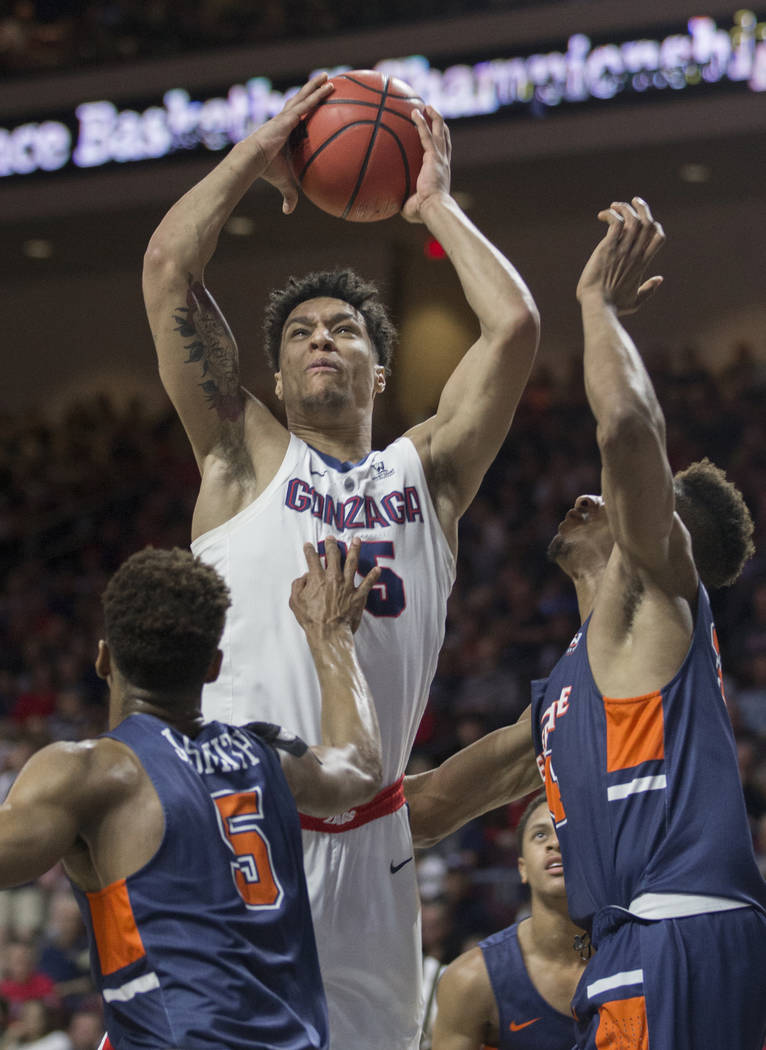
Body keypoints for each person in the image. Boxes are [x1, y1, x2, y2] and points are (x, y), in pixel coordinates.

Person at [142, 71, 540, 1050]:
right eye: (302, 333)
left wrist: (436, 206)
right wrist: (257, 146)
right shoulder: (240, 458)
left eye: (347, 328)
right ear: (273, 375)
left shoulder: (429, 472)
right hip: (242, 824)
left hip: (373, 851)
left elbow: (516, 328)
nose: (324, 337)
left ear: (377, 362)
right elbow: (165, 270)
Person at [532, 198, 766, 1049]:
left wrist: (595, 307)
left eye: (608, 500)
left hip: (668, 935)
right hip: (677, 939)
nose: (584, 497)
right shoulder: (567, 686)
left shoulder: (660, 590)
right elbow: (447, 793)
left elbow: (628, 426)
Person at [0, 538, 384, 1050]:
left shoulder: (88, 772)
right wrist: (330, 634)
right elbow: (361, 765)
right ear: (213, 666)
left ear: (103, 660)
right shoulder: (269, 756)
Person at [429, 793, 584, 1050]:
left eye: (566, 828)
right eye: (540, 835)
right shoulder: (471, 978)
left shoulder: (635, 956)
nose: (555, 842)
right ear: (522, 867)